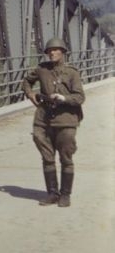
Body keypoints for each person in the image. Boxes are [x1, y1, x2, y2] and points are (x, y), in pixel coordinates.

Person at [22, 37, 85, 207]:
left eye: (56, 50)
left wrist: (63, 98)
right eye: (50, 50)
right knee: (47, 158)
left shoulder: (72, 72)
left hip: (66, 120)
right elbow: (26, 81)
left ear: (63, 52)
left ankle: (65, 195)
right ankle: (52, 193)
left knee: (66, 158)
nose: (52, 53)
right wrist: (30, 94)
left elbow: (80, 97)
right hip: (44, 119)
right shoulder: (42, 69)